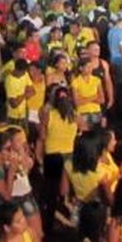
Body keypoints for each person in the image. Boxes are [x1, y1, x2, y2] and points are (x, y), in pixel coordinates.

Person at [37, 86, 80, 234]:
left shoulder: (49, 114)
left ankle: (48, 224)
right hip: (69, 156)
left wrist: (39, 157)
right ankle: (75, 219)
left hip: (52, 157)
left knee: (50, 192)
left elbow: (42, 137)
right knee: (72, 190)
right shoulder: (74, 115)